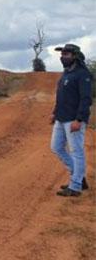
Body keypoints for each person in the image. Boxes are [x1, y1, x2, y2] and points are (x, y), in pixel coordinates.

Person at [50, 43, 92, 197]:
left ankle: (75, 187)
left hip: (74, 120)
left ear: (74, 56)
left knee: (76, 151)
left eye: (66, 54)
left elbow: (86, 99)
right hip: (61, 118)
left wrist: (79, 119)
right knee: (56, 147)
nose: (63, 57)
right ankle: (79, 178)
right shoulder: (66, 73)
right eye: (62, 54)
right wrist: (54, 112)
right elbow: (62, 96)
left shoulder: (83, 74)